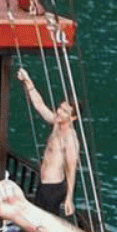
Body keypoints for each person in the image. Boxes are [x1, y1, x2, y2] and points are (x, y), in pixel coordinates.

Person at [16, 68, 80, 217]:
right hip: (43, 184)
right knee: (37, 222)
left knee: (45, 228)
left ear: (73, 118)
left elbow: (71, 169)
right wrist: (28, 81)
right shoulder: (56, 124)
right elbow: (40, 105)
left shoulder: (70, 138)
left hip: (53, 188)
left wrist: (69, 198)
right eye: (60, 108)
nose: (59, 112)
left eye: (65, 112)